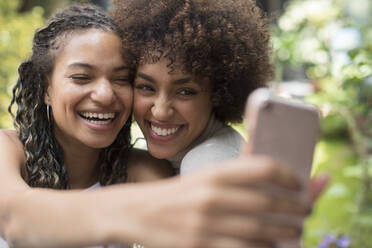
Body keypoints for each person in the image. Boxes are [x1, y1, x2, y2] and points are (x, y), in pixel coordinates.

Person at [0, 3, 319, 248]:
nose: (104, 94)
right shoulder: (7, 150)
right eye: (82, 77)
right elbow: (14, 216)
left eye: (122, 79)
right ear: (46, 88)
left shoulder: (147, 171)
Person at [112, 0, 272, 174]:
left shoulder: (204, 163)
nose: (161, 112)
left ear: (218, 93)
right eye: (146, 88)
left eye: (184, 92)